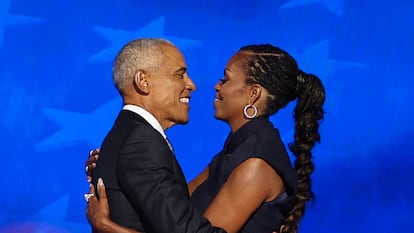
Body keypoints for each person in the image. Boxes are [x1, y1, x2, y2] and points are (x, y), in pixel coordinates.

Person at [85, 44, 325, 233]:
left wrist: (109, 228)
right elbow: (175, 203)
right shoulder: (236, 149)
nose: (215, 86)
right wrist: (120, 170)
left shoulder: (256, 163)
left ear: (253, 94)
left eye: (226, 79)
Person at [86, 38, 226, 233]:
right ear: (143, 81)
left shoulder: (130, 134)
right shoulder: (141, 142)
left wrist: (107, 226)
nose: (191, 84)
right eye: (180, 75)